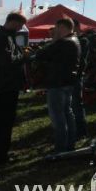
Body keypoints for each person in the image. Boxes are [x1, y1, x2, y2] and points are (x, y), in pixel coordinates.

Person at [34, 18, 80, 153]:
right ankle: (70, 144)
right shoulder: (75, 40)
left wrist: (54, 39)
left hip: (57, 83)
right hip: (68, 82)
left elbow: (41, 54)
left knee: (58, 117)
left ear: (61, 27)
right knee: (67, 113)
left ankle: (61, 148)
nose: (54, 30)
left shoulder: (63, 43)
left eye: (56, 27)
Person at [0, 12, 28, 165]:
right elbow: (6, 61)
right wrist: (24, 56)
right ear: (13, 22)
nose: (20, 29)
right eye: (20, 25)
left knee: (5, 121)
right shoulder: (2, 37)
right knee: (4, 121)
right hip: (5, 87)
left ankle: (3, 151)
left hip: (7, 85)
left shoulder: (6, 36)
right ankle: (1, 156)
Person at [71, 19, 90, 140]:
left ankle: (81, 131)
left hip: (76, 76)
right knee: (72, 105)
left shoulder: (83, 41)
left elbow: (80, 59)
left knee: (76, 104)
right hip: (71, 76)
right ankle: (74, 129)